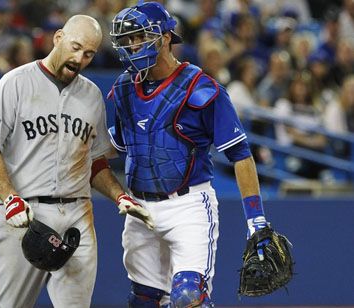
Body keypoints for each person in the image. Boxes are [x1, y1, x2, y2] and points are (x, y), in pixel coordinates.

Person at [0, 14, 153, 307]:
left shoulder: (92, 95)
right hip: (23, 215)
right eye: (75, 46)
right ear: (58, 38)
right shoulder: (15, 83)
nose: (79, 58)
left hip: (77, 215)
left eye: (89, 54)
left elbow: (94, 162)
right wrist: (10, 199)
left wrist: (119, 195)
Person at [108, 2, 277, 306]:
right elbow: (117, 146)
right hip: (139, 208)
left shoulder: (202, 87)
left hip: (188, 205)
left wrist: (257, 221)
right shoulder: (123, 88)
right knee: (143, 300)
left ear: (165, 36)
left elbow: (240, 154)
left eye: (140, 37)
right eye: (127, 40)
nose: (132, 46)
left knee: (188, 296)